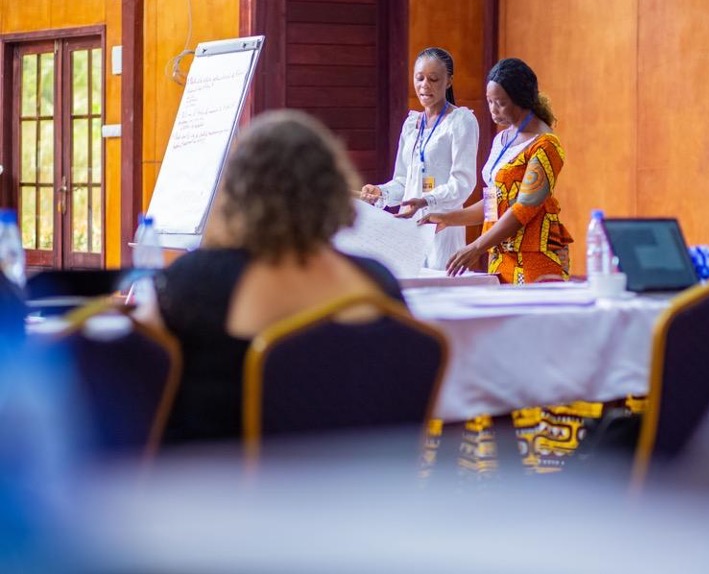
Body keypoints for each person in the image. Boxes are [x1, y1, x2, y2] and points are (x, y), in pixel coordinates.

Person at [141, 110, 405, 445]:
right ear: (333, 188)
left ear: (238, 191)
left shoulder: (197, 280)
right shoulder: (378, 281)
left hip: (221, 487)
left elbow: (136, 372)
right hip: (367, 486)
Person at [420, 57, 573, 284]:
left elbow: (524, 208)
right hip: (501, 256)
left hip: (534, 257)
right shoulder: (502, 138)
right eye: (489, 101)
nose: (492, 109)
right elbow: (494, 201)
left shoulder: (545, 144)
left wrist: (476, 247)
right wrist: (448, 218)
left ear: (521, 100)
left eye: (500, 102)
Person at [360, 47, 479, 270]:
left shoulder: (461, 121)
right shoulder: (411, 124)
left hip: (443, 226)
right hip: (409, 226)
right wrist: (382, 192)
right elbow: (403, 181)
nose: (425, 85)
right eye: (420, 78)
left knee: (440, 290)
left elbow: (463, 183)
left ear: (449, 81)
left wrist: (426, 200)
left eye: (433, 79)